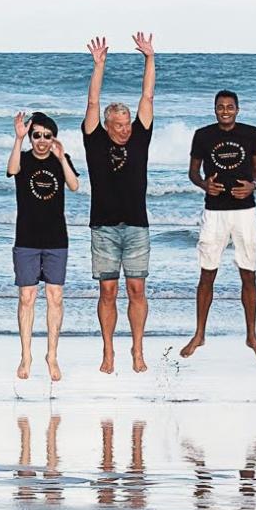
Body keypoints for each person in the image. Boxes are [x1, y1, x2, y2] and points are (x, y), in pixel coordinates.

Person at [82, 32, 157, 373]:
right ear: (108, 126)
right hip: (104, 227)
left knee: (136, 288)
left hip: (137, 226)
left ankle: (137, 350)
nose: (126, 129)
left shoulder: (140, 137)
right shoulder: (95, 141)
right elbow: (93, 104)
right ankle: (108, 351)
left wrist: (149, 58)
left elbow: (147, 95)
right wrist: (99, 65)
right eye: (120, 125)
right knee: (109, 291)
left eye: (128, 124)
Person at [183, 89, 256, 362]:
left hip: (245, 211)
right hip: (215, 212)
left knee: (248, 273)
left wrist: (253, 185)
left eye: (230, 106)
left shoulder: (252, 133)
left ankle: (252, 336)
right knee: (207, 273)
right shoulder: (203, 135)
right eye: (220, 106)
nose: (225, 110)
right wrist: (204, 184)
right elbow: (193, 172)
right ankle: (199, 334)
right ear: (215, 109)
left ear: (238, 109)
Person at [8, 110, 80, 381]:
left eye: (47, 136)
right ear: (30, 137)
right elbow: (12, 170)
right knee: (27, 298)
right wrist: (18, 139)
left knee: (55, 297)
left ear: (54, 138)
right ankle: (26, 355)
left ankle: (52, 354)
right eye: (36, 135)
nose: (41, 140)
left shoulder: (61, 160)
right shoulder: (23, 159)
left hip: (56, 239)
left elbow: (74, 185)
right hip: (26, 238)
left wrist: (61, 158)